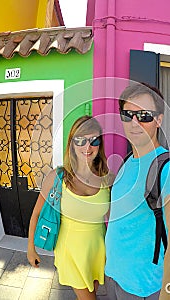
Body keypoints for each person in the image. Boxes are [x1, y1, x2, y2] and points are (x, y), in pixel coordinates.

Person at [104, 83, 170, 299]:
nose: (134, 122)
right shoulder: (126, 162)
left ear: (159, 120)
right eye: (128, 114)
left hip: (143, 286)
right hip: (112, 274)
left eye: (144, 115)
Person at [27, 116, 113, 300]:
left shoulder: (106, 179)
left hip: (98, 248)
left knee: (92, 291)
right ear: (72, 144)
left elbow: (112, 217)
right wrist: (30, 248)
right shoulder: (57, 177)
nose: (87, 148)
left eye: (94, 141)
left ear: (100, 144)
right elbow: (35, 214)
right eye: (80, 140)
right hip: (71, 251)